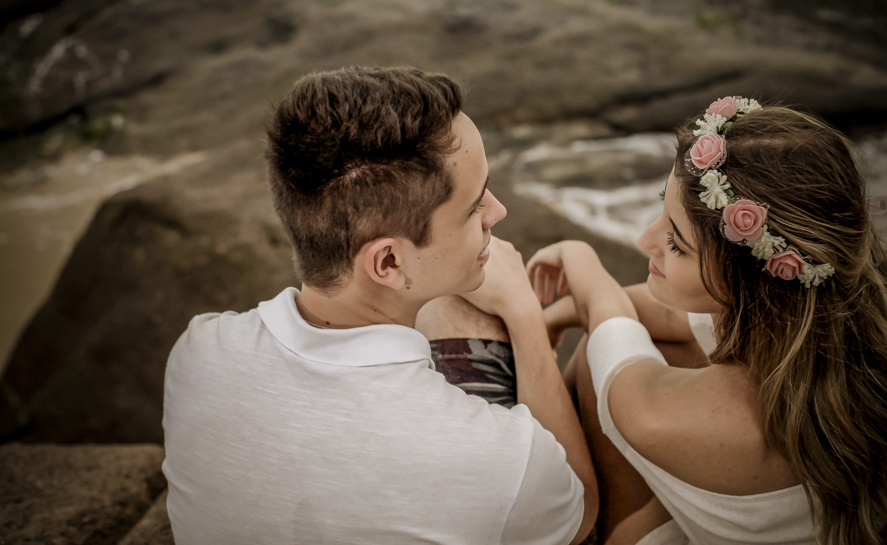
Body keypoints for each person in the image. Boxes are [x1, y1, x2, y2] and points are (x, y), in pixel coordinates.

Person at [161, 66, 598, 544]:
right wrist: (525, 317)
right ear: (388, 261)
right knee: (471, 310)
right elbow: (580, 510)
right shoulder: (493, 460)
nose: (498, 211)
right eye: (474, 206)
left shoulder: (199, 350)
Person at [526, 99, 887, 545]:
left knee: (594, 356)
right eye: (660, 208)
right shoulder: (847, 313)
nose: (647, 239)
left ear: (752, 282)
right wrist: (572, 307)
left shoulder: (661, 417)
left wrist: (578, 259)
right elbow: (657, 314)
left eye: (677, 244)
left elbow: (611, 334)